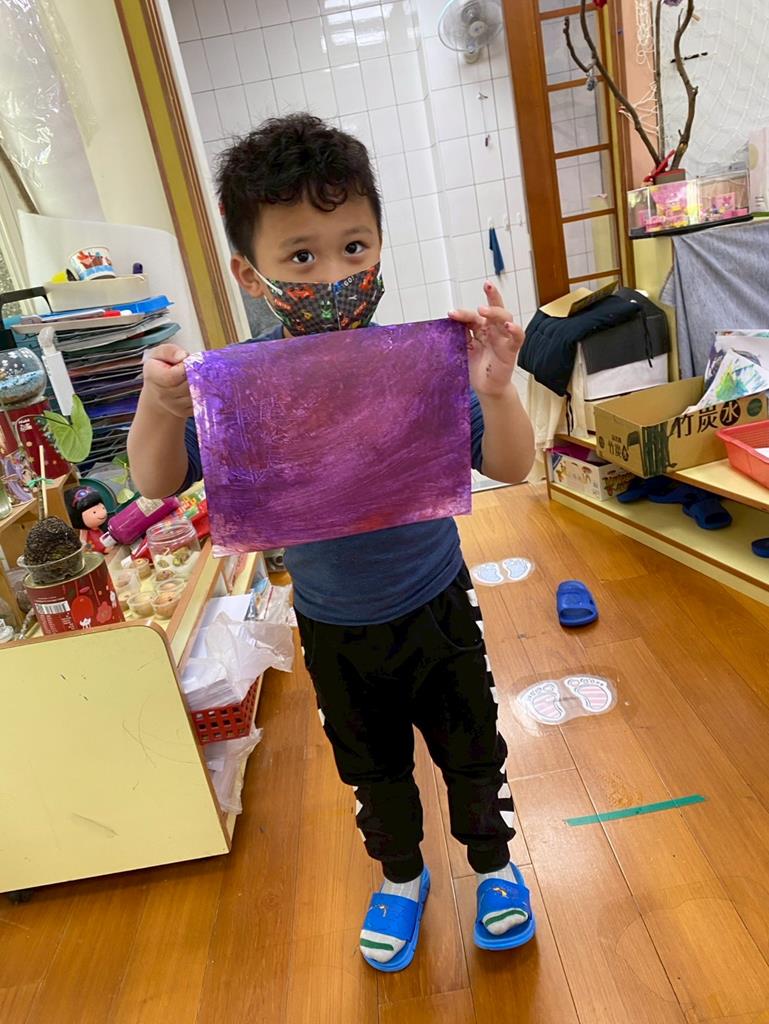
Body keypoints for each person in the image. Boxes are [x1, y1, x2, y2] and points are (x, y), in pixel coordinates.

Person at [127, 114, 536, 972]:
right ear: (250, 274)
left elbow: (509, 465)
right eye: (300, 256)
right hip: (333, 623)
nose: (335, 275)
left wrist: (498, 392)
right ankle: (400, 877)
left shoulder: (419, 363)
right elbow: (157, 482)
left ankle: (494, 865)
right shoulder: (241, 387)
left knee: (472, 746)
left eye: (354, 247)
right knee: (370, 767)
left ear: (381, 244)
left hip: (436, 601)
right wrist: (158, 409)